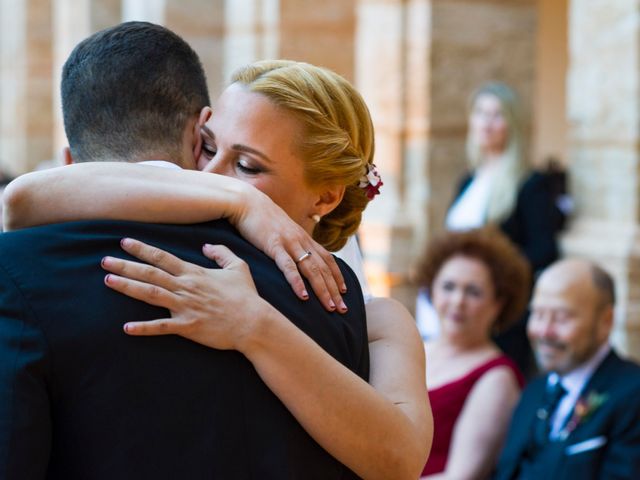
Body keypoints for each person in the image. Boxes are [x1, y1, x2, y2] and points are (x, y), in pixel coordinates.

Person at [2, 25, 432, 480]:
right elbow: (21, 199)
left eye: (247, 167)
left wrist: (255, 326)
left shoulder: (377, 319)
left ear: (325, 198)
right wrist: (240, 199)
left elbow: (400, 461)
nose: (209, 173)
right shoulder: (219, 206)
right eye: (207, 147)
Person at [417, 82, 559, 376]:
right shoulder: (468, 180)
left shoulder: (529, 184)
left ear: (512, 124)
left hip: (495, 318)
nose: (487, 122)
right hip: (453, 307)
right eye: (481, 113)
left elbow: (544, 251)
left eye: (497, 115)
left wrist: (492, 277)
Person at [495, 259, 640, 479]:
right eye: (538, 314)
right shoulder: (532, 393)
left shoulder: (633, 393)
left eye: (561, 317)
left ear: (606, 321)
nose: (544, 331)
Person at [415, 228, 530, 478]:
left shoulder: (497, 379)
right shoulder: (413, 347)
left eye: (473, 292)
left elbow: (461, 476)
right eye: (448, 286)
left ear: (498, 303)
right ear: (431, 290)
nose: (457, 301)